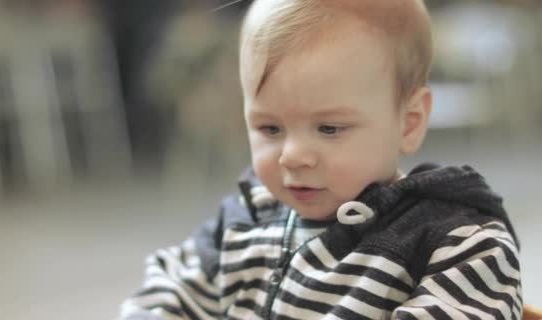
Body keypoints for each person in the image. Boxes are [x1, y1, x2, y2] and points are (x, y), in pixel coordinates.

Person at [119, 0, 522, 319]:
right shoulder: (247, 219)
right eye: (269, 128)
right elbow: (170, 289)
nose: (292, 156)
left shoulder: (455, 244)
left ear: (409, 122)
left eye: (329, 128)